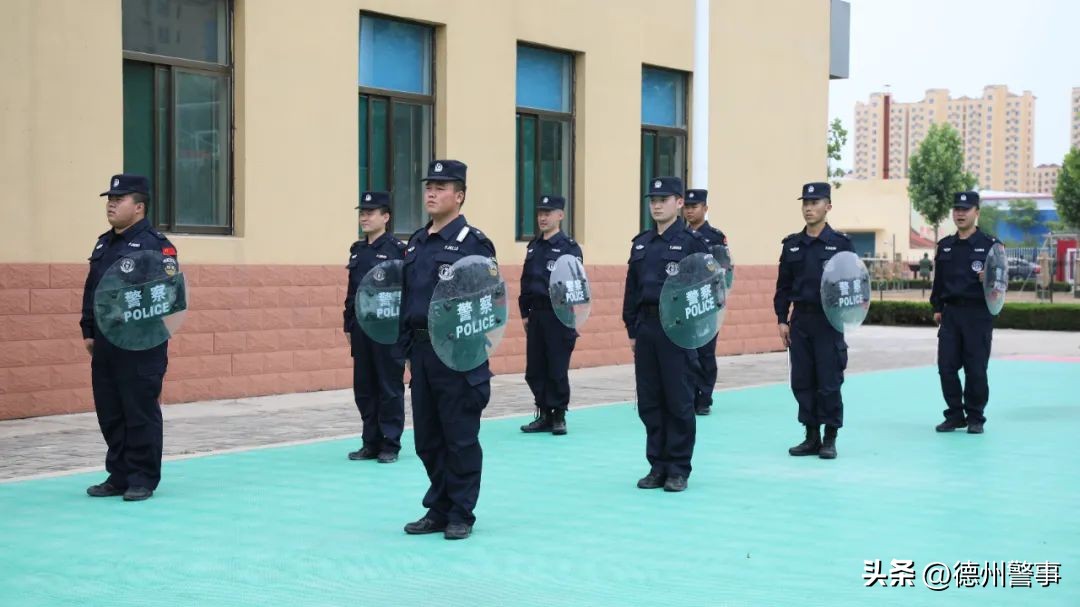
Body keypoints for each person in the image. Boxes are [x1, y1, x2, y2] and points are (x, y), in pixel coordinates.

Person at [397, 160, 496, 540]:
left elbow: (490, 301)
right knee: (428, 438)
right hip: (423, 354)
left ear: (460, 195)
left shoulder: (474, 243)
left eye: (442, 187)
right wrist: (406, 350)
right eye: (429, 186)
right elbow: (410, 299)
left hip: (459, 354)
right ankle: (438, 507)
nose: (432, 193)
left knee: (460, 437)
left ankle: (460, 512)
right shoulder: (417, 242)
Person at [81, 174, 177, 501]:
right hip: (106, 345)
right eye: (109, 198)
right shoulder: (104, 243)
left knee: (139, 412)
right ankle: (119, 475)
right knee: (110, 411)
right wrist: (88, 330)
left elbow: (168, 296)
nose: (110, 204)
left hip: (141, 344)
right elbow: (92, 289)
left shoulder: (155, 245)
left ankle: (142, 478)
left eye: (118, 199)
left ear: (138, 207)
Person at [623, 176, 710, 492]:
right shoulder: (642, 243)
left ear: (679, 203)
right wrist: (631, 327)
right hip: (647, 329)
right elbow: (632, 289)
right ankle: (656, 465)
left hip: (677, 330)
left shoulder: (692, 244)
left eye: (664, 199)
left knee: (678, 399)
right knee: (649, 400)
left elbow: (707, 289)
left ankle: (677, 468)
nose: (657, 204)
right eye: (653, 199)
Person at [773, 182, 854, 460]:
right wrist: (782, 319)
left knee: (829, 380)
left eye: (815, 202)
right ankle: (811, 435)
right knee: (802, 379)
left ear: (828, 207)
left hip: (829, 320)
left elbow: (854, 283)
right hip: (801, 320)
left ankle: (830, 437)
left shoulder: (841, 244)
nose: (809, 208)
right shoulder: (792, 245)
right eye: (805, 203)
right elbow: (783, 286)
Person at [343, 191, 406, 463]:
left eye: (371, 212)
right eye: (362, 212)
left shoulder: (398, 251)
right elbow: (352, 293)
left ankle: (390, 444)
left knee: (389, 387)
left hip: (388, 330)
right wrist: (348, 324)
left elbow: (405, 292)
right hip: (362, 329)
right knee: (365, 387)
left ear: (386, 217)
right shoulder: (358, 250)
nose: (364, 217)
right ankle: (370, 442)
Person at [930, 191, 999, 434]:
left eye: (965, 209)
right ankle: (955, 414)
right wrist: (937, 306)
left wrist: (989, 279)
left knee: (975, 368)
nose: (960, 213)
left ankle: (975, 416)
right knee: (946, 367)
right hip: (951, 315)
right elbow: (938, 281)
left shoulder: (991, 246)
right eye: (957, 209)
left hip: (977, 314)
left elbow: (1001, 284)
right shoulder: (945, 246)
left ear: (976, 212)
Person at [519, 195, 583, 435]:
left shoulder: (569, 248)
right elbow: (527, 281)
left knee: (556, 367)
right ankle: (543, 412)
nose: (543, 217)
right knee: (535, 368)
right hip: (536, 315)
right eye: (540, 213)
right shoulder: (534, 246)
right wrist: (524, 312)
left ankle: (558, 415)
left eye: (549, 213)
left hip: (559, 314)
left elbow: (576, 282)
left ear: (561, 215)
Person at [682, 188, 727, 416]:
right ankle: (688, 394)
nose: (690, 211)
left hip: (707, 302)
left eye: (695, 206)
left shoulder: (715, 237)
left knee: (705, 352)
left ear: (705, 209)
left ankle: (704, 397)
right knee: (687, 352)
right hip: (685, 302)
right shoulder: (678, 236)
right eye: (687, 207)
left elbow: (723, 270)